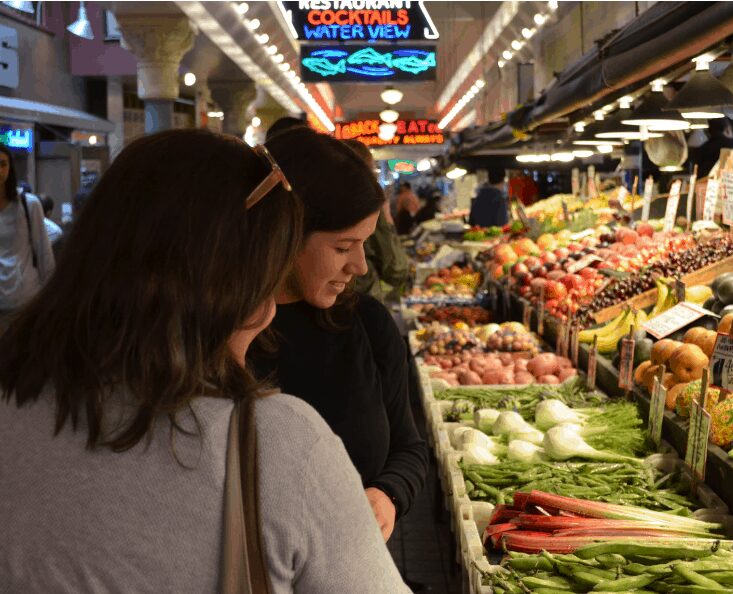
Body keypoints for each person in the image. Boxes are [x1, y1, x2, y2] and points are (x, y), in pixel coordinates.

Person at [0, 129, 410, 593]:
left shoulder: (13, 407)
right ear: (225, 277)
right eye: (266, 268)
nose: (270, 304)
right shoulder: (279, 444)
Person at [248, 127, 428, 544]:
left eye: (365, 244)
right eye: (343, 247)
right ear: (286, 234)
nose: (361, 267)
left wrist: (389, 494)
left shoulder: (369, 324)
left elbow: (410, 447)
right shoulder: (226, 339)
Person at [343, 139, 409, 301]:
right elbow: (396, 270)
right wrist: (387, 220)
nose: (360, 266)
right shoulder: (370, 205)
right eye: (341, 248)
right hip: (360, 301)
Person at [0, 145, 55, 326]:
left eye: (3, 164)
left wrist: (51, 298)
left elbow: (44, 252)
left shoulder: (29, 204)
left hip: (26, 297)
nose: (0, 170)